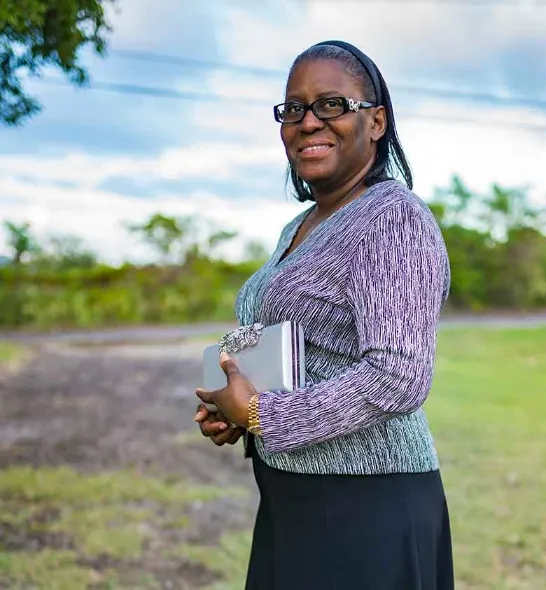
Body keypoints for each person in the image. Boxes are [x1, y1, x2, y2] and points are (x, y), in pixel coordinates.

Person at [193, 39, 454, 590]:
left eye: (331, 105)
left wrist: (266, 416)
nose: (308, 121)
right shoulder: (302, 226)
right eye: (294, 109)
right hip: (296, 502)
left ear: (376, 121)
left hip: (367, 509)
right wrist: (237, 410)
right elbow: (292, 343)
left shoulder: (392, 218)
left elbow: (398, 377)